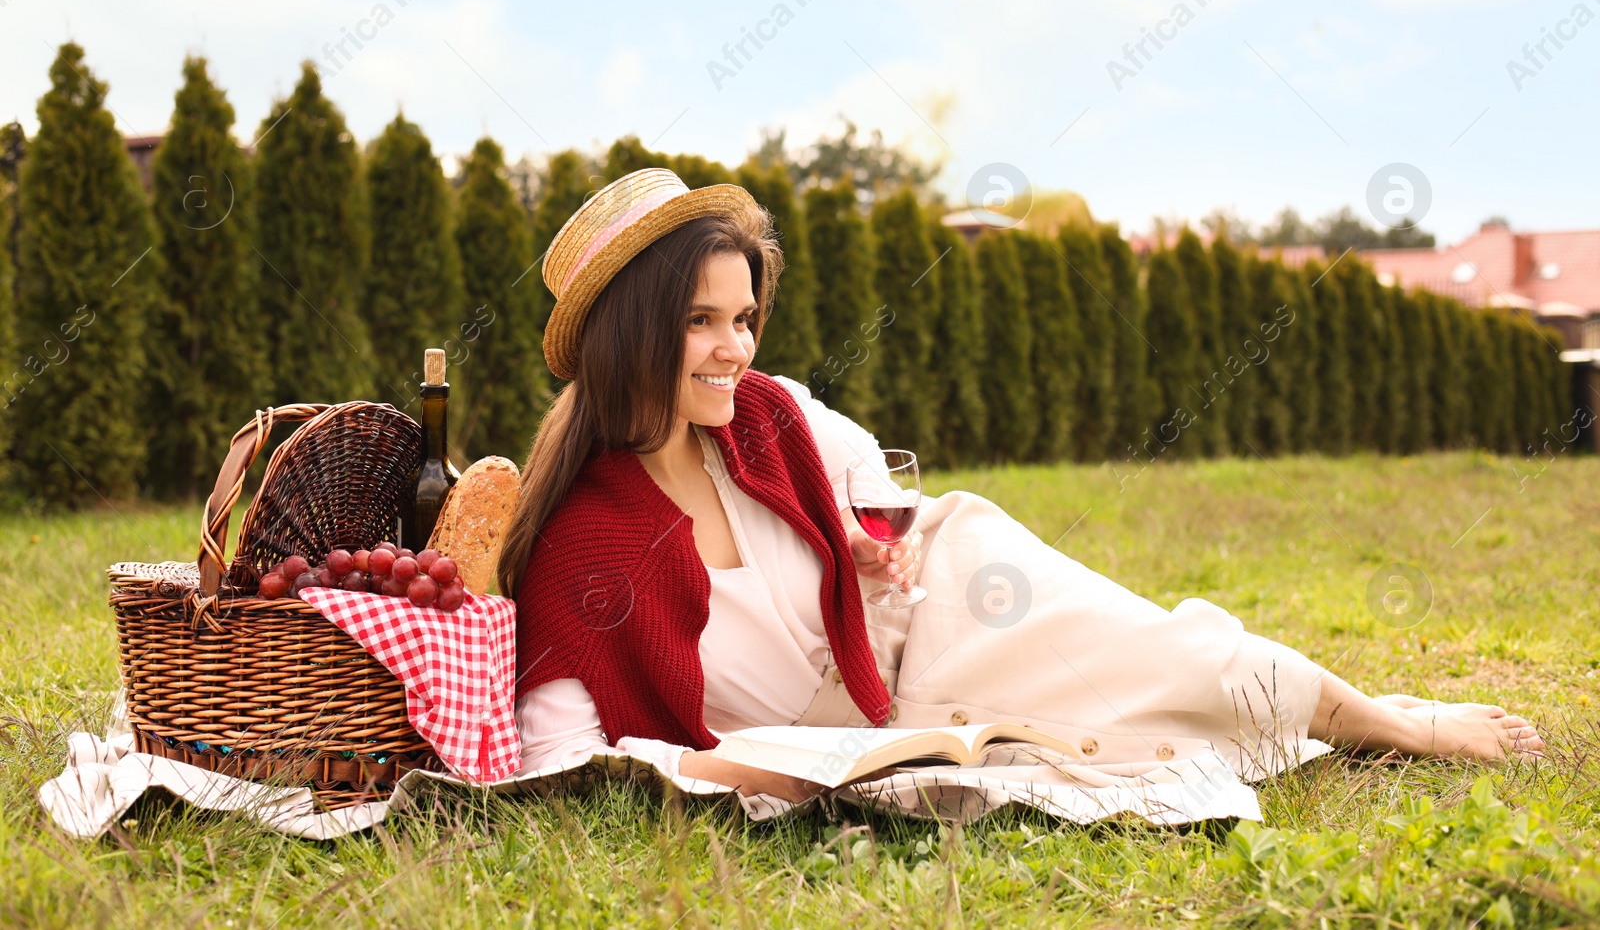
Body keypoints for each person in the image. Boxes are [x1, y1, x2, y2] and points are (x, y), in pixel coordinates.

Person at [501, 168, 1543, 810]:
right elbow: (563, 761)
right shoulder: (582, 546)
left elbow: (870, 478)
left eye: (743, 316)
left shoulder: (766, 414)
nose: (734, 347)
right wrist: (744, 770)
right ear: (633, 332)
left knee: (1164, 654)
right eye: (699, 320)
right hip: (854, 731)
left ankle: (1390, 723)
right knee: (1125, 734)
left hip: (935, 606)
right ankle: (1350, 716)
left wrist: (866, 549)